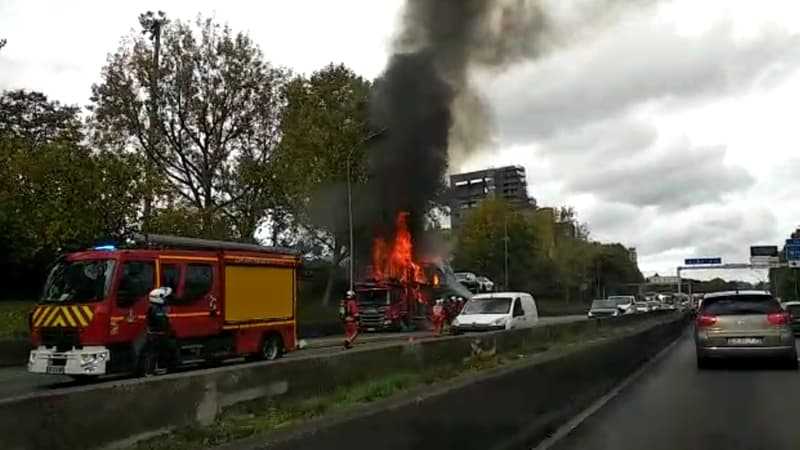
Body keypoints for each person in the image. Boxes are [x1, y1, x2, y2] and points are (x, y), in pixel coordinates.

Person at [143, 287, 174, 375]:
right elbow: (162, 322)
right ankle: (150, 372)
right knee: (154, 353)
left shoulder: (155, 307)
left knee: (161, 353)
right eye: (165, 298)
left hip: (157, 334)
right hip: (157, 335)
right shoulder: (155, 309)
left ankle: (160, 369)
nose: (167, 300)